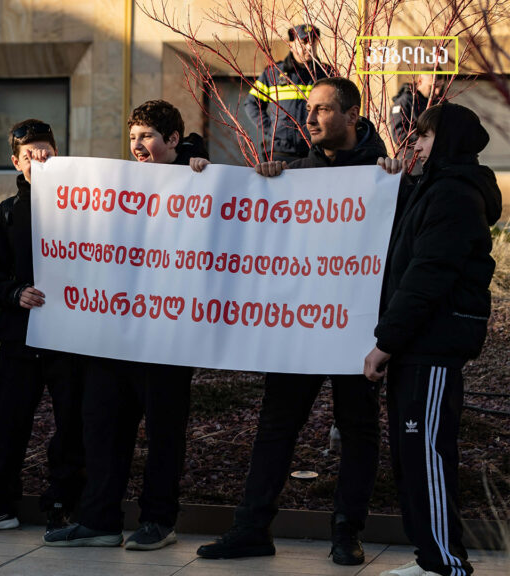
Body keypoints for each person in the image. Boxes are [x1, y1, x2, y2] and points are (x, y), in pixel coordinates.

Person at [194, 77, 388, 565]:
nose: (311, 117)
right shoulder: (292, 174)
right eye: (309, 109)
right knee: (276, 427)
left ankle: (347, 533)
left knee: (358, 430)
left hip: (356, 329)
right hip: (299, 326)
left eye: (323, 109)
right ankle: (251, 528)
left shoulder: (384, 175)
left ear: (352, 118)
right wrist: (256, 184)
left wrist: (398, 177)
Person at [44, 100, 206, 550]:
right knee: (101, 427)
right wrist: (46, 169)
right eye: (133, 137)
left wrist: (202, 165)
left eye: (148, 137)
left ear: (174, 140)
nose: (138, 146)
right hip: (112, 336)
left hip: (167, 338)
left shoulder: (199, 178)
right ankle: (99, 520)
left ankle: (159, 520)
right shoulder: (118, 185)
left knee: (163, 434)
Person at [365, 103, 502, 576]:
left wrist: (385, 341)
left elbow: (426, 276)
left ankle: (445, 564)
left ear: (446, 142)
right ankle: (431, 558)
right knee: (413, 457)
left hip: (431, 346)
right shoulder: (434, 189)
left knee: (425, 455)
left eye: (423, 138)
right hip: (418, 345)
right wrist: (395, 179)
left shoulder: (454, 195)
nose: (415, 145)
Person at [0, 119, 85, 535]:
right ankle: (0, 505)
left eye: (46, 150)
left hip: (69, 338)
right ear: (17, 162)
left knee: (72, 425)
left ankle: (64, 503)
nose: (40, 158)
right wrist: (16, 294)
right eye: (31, 154)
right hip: (19, 337)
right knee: (10, 424)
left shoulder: (84, 205)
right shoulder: (7, 213)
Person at [244, 23, 337, 162]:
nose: (309, 47)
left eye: (313, 42)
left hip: (316, 152)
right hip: (281, 152)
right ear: (291, 45)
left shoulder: (327, 74)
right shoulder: (274, 73)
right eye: (304, 42)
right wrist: (271, 130)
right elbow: (252, 103)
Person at [390, 71, 446, 172]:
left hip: (438, 164)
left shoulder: (441, 103)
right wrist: (427, 139)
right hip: (413, 164)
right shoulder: (405, 102)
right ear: (420, 81)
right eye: (432, 87)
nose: (437, 92)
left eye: (440, 87)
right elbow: (399, 135)